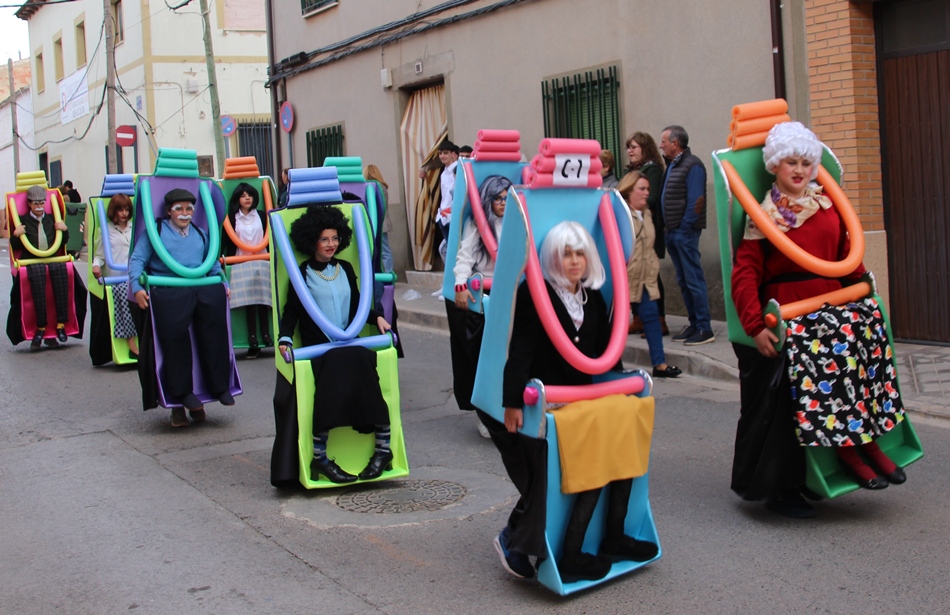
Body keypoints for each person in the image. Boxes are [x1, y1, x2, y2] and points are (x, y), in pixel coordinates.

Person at [730, 121, 907, 519]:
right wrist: (755, 324)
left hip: (835, 298)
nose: (799, 168)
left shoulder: (828, 203)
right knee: (829, 354)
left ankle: (870, 441)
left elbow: (847, 256)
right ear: (775, 166)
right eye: (790, 161)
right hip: (796, 309)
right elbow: (745, 272)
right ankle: (848, 451)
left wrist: (865, 288)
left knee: (867, 342)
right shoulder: (766, 213)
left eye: (806, 162)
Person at [479, 221, 658, 581]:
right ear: (552, 257)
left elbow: (608, 354)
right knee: (585, 457)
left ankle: (614, 535)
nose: (574, 261)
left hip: (585, 398)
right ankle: (563, 551)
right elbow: (521, 351)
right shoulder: (536, 293)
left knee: (626, 427)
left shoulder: (593, 297)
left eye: (579, 253)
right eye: (566, 254)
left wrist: (621, 386)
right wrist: (512, 401)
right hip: (549, 400)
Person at [277, 206, 395, 483]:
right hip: (321, 350)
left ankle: (383, 450)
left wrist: (378, 318)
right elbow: (291, 310)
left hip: (350, 343)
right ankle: (320, 458)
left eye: (334, 238)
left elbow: (358, 303)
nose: (331, 245)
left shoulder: (346, 268)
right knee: (333, 377)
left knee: (365, 366)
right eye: (324, 239)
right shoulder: (302, 273)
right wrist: (284, 338)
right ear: (311, 242)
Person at [129, 188, 234, 427]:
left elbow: (212, 262)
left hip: (201, 289)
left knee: (213, 335)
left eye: (189, 209)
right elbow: (137, 260)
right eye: (180, 209)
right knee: (175, 344)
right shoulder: (155, 232)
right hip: (169, 290)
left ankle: (219, 386)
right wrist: (136, 286)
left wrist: (222, 282)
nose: (185, 213)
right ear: (169, 211)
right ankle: (179, 401)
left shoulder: (200, 233)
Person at [447, 175, 512, 438]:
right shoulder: (477, 224)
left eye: (507, 198)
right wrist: (460, 286)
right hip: (481, 298)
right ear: (488, 200)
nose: (503, 203)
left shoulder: (514, 223)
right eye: (497, 198)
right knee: (480, 359)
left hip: (508, 295)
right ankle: (484, 413)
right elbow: (463, 257)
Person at [617, 171, 681, 379]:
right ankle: (610, 365)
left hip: (645, 278)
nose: (646, 194)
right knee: (612, 323)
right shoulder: (618, 213)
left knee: (652, 318)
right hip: (623, 277)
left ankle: (660, 364)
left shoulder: (647, 214)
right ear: (629, 191)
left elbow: (649, 246)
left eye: (647, 189)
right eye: (641, 189)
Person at [659, 125, 714, 346]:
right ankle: (694, 323)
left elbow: (696, 202)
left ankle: (704, 327)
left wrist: (683, 229)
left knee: (693, 280)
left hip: (684, 233)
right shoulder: (673, 165)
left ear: (675, 143)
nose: (661, 144)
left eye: (664, 141)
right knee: (683, 280)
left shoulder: (693, 165)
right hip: (672, 232)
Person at [10, 185, 73, 350]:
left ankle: (60, 325)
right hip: (31, 260)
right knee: (37, 277)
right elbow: (16, 245)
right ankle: (40, 327)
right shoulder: (22, 220)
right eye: (36, 203)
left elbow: (63, 241)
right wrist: (16, 235)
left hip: (52, 257)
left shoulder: (52, 219)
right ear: (30, 204)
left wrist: (64, 230)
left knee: (60, 272)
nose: (39, 206)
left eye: (42, 202)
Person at [625, 131, 669, 336]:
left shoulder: (652, 170)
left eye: (634, 147)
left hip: (648, 230)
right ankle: (639, 318)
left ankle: (659, 320)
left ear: (644, 147)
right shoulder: (635, 170)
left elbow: (650, 200)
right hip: (634, 229)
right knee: (634, 273)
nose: (629, 151)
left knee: (651, 274)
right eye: (628, 147)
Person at [222, 182, 272, 359]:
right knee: (249, 303)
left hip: (262, 261)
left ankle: (267, 335)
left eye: (249, 195)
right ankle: (252, 339)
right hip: (241, 263)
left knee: (265, 300)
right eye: (243, 195)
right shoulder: (231, 218)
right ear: (237, 199)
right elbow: (226, 242)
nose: (247, 198)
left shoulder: (261, 215)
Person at [91, 193, 139, 358]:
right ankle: (131, 344)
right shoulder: (106, 230)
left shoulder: (136, 227)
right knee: (126, 295)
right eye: (120, 210)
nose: (124, 213)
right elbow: (99, 256)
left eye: (127, 209)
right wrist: (96, 266)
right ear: (114, 211)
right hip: (117, 278)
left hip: (135, 276)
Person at [364, 164, 394, 273]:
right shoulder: (382, 186)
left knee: (383, 250)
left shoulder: (373, 186)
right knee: (384, 250)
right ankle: (388, 273)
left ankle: (388, 273)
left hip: (378, 223)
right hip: (382, 222)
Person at [436, 140, 460, 264]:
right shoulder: (444, 172)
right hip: (443, 216)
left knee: (452, 250)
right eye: (440, 153)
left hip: (452, 215)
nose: (442, 156)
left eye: (445, 153)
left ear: (453, 154)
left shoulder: (458, 170)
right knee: (447, 250)